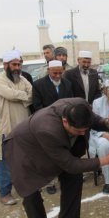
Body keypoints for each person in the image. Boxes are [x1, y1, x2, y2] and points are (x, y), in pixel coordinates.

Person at [3, 98, 109, 218]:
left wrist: (108, 122)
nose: (82, 133)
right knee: (31, 196)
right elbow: (70, 164)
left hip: (56, 147)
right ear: (65, 121)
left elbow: (94, 121)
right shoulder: (47, 129)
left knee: (74, 178)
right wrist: (106, 160)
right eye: (79, 131)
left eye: (84, 130)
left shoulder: (80, 107)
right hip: (24, 151)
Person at [0, 50, 32, 205]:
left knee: (24, 157)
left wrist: (19, 95)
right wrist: (22, 96)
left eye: (19, 64)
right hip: (7, 127)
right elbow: (10, 95)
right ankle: (5, 193)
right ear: (5, 65)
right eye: (14, 64)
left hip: (23, 125)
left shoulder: (22, 80)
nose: (17, 67)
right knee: (6, 160)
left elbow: (32, 94)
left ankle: (25, 186)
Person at [32, 60, 73, 194]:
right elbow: (37, 106)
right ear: (49, 71)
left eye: (60, 73)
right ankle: (50, 182)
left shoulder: (67, 84)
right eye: (54, 73)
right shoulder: (38, 85)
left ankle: (66, 177)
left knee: (64, 152)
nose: (57, 76)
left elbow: (70, 103)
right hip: (47, 125)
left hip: (64, 124)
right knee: (48, 154)